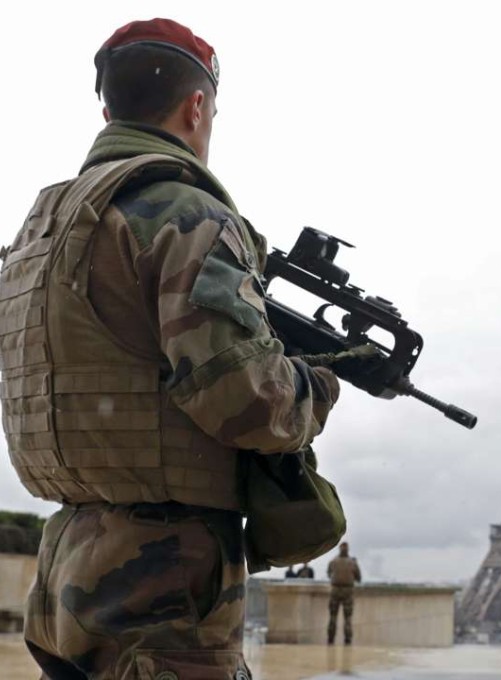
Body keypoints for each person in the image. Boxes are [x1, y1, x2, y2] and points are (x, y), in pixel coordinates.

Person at [0, 18, 356, 679]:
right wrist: (319, 383)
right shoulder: (184, 213)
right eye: (212, 111)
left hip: (68, 567)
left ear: (107, 108)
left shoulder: (41, 232)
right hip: (163, 579)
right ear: (197, 106)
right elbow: (244, 399)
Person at [327, 542, 362, 645]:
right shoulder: (352, 563)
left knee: (333, 617)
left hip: (335, 591)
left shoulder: (333, 561)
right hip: (348, 592)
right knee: (347, 618)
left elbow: (329, 574)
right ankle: (347, 640)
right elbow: (359, 578)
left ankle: (330, 639)